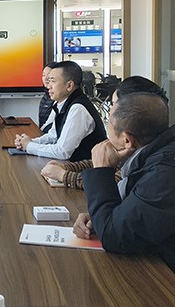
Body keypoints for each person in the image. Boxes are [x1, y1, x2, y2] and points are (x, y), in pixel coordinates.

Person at [73, 92, 175, 271]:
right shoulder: (158, 152)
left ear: (127, 140)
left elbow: (115, 238)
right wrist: (101, 216)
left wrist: (101, 170)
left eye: (109, 129)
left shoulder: (163, 173)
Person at [41, 76, 169, 188]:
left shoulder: (143, 152)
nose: (111, 110)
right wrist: (68, 167)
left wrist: (63, 175)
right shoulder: (135, 141)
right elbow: (101, 161)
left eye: (114, 105)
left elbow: (110, 183)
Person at [15, 60, 106, 161]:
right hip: (71, 164)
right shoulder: (63, 103)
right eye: (49, 81)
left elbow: (62, 152)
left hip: (85, 167)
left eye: (53, 81)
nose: (49, 86)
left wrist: (29, 146)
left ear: (69, 86)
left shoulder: (78, 109)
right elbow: (53, 136)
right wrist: (29, 142)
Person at [39, 61, 59, 132]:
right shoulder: (46, 95)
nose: (45, 78)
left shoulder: (58, 97)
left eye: (49, 76)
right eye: (43, 75)